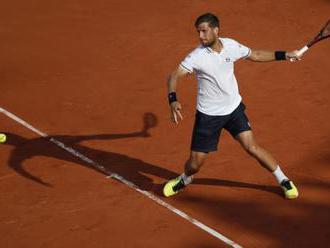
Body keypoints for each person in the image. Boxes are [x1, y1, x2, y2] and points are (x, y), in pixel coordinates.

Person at [163, 13, 300, 199]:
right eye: (198, 32)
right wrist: (173, 99)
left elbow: (256, 55)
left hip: (233, 110)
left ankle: (283, 179)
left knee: (252, 146)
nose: (200, 36)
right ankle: (185, 178)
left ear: (215, 30)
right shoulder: (197, 56)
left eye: (204, 31)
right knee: (195, 164)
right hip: (209, 116)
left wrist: (285, 55)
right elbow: (173, 76)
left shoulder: (231, 46)